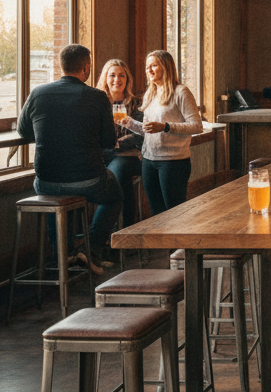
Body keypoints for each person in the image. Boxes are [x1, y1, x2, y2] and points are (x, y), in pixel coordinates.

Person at [16, 43, 122, 275]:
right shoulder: (97, 97)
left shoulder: (38, 93)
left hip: (46, 181)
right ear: (86, 68)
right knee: (115, 195)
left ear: (61, 66)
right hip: (88, 180)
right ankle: (90, 250)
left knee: (55, 196)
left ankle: (62, 257)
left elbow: (23, 131)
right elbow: (108, 141)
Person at [121, 50, 203, 216]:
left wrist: (165, 126)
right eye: (147, 67)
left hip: (173, 163)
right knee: (156, 214)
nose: (149, 70)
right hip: (149, 160)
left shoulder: (181, 92)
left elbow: (196, 126)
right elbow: (149, 130)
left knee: (175, 215)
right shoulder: (150, 94)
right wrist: (128, 123)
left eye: (154, 65)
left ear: (166, 67)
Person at [96, 58, 144, 232]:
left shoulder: (136, 104)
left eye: (122, 75)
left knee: (117, 172)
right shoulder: (98, 103)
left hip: (131, 157)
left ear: (127, 79)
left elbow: (140, 135)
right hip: (103, 157)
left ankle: (100, 233)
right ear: (105, 78)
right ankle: (125, 230)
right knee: (121, 181)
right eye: (112, 75)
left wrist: (116, 144)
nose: (117, 79)